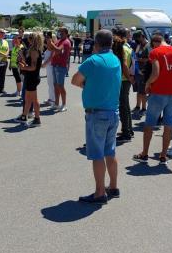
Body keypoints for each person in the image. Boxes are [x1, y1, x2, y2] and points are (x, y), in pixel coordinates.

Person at [71, 30, 121, 204]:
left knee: (97, 154)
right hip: (113, 112)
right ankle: (113, 186)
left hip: (97, 114)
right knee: (110, 151)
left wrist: (88, 85)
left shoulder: (92, 61)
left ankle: (100, 192)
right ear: (111, 43)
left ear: (96, 44)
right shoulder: (115, 59)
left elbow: (75, 80)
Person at [133, 33, 172, 165]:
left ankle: (145, 153)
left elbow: (156, 72)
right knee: (168, 125)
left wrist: (147, 84)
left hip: (158, 93)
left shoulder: (155, 52)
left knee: (149, 124)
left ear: (154, 43)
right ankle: (163, 155)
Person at [16, 32, 43, 127]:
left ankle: (37, 119)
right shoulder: (32, 50)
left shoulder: (34, 51)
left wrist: (23, 68)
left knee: (34, 100)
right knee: (27, 99)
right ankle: (24, 116)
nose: (27, 39)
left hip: (33, 78)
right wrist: (22, 59)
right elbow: (29, 63)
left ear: (32, 40)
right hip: (30, 77)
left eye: (29, 38)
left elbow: (33, 67)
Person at [114, 28, 134, 141]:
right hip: (126, 79)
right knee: (125, 105)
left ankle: (126, 132)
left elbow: (124, 65)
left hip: (123, 79)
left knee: (123, 106)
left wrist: (129, 78)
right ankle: (129, 129)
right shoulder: (128, 46)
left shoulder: (122, 47)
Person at [47, 27, 72, 112]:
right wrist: (48, 42)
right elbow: (52, 49)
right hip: (55, 65)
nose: (59, 33)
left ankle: (64, 104)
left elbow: (57, 50)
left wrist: (51, 43)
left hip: (61, 66)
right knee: (55, 85)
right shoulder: (59, 41)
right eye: (59, 31)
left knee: (61, 86)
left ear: (65, 32)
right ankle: (56, 104)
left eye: (61, 31)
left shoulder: (66, 42)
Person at [132, 32, 149, 116]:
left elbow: (148, 59)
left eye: (138, 38)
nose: (136, 41)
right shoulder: (139, 45)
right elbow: (136, 55)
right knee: (138, 90)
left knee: (143, 91)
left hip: (144, 71)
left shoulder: (148, 46)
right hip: (137, 71)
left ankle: (144, 108)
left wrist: (138, 59)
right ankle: (138, 106)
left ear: (142, 37)